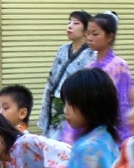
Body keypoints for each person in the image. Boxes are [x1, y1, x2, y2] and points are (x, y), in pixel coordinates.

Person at [61, 11, 131, 144]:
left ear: (110, 37)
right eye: (88, 34)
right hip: (87, 131)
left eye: (95, 34)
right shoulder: (89, 67)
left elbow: (124, 104)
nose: (90, 38)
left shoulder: (119, 66)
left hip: (109, 133)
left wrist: (123, 136)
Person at [38, 10, 95, 140]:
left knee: (67, 141)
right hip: (55, 100)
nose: (69, 26)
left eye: (76, 23)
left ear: (86, 30)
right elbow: (52, 77)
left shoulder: (92, 54)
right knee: (51, 140)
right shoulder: (63, 49)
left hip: (73, 103)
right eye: (69, 22)